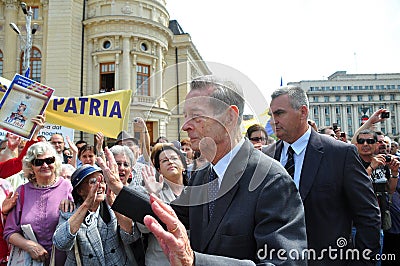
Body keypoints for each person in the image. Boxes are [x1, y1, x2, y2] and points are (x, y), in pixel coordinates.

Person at [99, 75, 307, 265]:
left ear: (229, 117)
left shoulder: (271, 181)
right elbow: (171, 215)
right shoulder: (202, 176)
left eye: (196, 116)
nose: (185, 126)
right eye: (185, 116)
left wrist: (195, 261)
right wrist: (119, 189)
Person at [264, 86, 381, 265]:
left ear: (303, 112)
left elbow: (367, 215)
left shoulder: (340, 154)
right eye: (271, 115)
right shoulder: (265, 156)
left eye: (279, 113)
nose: (274, 121)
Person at [53, 164, 139, 265]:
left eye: (102, 181)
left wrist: (114, 205)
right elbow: (61, 243)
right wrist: (86, 205)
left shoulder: (111, 204)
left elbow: (131, 237)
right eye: (93, 182)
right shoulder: (70, 211)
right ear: (80, 190)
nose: (100, 186)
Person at [3, 142, 73, 265]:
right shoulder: (22, 191)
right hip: (31, 261)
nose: (45, 165)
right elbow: (9, 232)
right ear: (31, 167)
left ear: (55, 163)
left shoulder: (67, 187)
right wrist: (29, 246)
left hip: (65, 260)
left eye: (49, 160)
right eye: (38, 162)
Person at [138, 143, 188, 266]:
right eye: (165, 160)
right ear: (159, 169)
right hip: (160, 260)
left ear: (183, 164)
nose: (170, 162)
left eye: (174, 158)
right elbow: (143, 228)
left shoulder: (194, 190)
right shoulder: (150, 191)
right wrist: (154, 195)